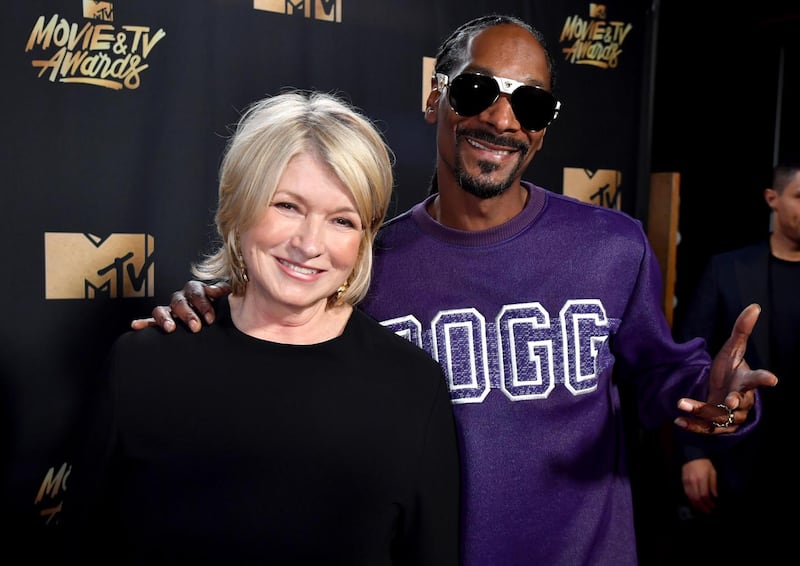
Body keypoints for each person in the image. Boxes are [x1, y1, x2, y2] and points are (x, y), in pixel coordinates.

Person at [133, 15, 777, 565]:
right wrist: (210, 316)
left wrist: (716, 402)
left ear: (544, 127)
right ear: (434, 96)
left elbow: (663, 373)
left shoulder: (612, 245)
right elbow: (277, 338)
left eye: (529, 105)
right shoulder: (363, 261)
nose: (502, 119)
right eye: (478, 90)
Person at [67, 90, 461, 565]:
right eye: (287, 206)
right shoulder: (142, 363)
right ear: (239, 206)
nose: (309, 243)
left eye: (342, 219)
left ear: (365, 238)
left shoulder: (413, 387)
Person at [671, 162, 800, 563]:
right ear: (772, 199)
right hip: (740, 461)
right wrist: (694, 453)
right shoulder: (728, 269)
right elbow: (690, 361)